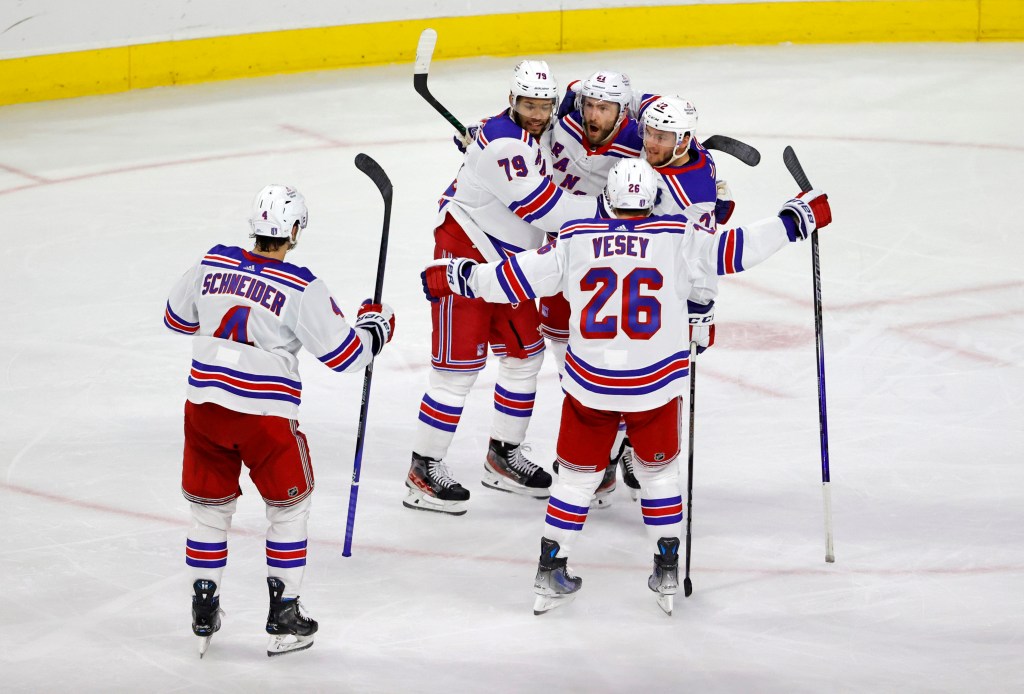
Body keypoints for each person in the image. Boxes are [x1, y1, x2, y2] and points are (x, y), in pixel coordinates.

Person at [421, 158, 832, 615]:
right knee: (658, 476)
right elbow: (739, 248)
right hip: (653, 388)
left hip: (590, 389)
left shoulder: (575, 239)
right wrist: (795, 220)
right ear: (652, 199)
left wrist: (458, 276)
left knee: (576, 480)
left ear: (608, 199)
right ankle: (666, 567)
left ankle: (550, 569)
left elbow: (512, 279)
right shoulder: (678, 236)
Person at [164, 184, 396, 657]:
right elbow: (347, 356)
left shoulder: (212, 261)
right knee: (288, 509)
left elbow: (176, 318)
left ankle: (203, 606)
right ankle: (283, 614)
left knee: (209, 510)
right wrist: (377, 326)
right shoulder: (300, 285)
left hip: (204, 409)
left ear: (254, 227)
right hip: (265, 417)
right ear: (293, 231)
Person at [406, 59, 598, 516]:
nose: (537, 112)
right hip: (466, 255)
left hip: (512, 264)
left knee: (524, 358)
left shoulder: (529, 133)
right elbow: (544, 210)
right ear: (511, 100)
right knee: (456, 374)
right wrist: (614, 210)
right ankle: (422, 469)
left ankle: (503, 457)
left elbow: (580, 97)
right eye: (528, 104)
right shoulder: (502, 145)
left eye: (543, 105)